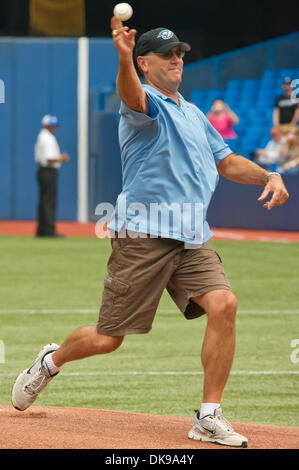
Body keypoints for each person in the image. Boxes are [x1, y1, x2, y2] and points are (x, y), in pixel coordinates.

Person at [12, 19, 289, 448]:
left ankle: (208, 416)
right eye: (166, 54)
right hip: (143, 236)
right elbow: (130, 94)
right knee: (108, 340)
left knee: (224, 305)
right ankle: (51, 361)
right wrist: (122, 58)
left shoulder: (194, 113)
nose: (177, 59)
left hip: (192, 237)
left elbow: (227, 161)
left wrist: (268, 174)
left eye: (180, 52)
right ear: (145, 62)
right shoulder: (146, 104)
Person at [35, 115, 70, 237]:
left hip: (44, 171)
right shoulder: (47, 138)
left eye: (55, 126)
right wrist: (62, 158)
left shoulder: (43, 136)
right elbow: (49, 159)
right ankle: (49, 230)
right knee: (49, 201)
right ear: (46, 126)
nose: (54, 128)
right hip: (48, 171)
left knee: (45, 201)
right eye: (52, 126)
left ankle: (42, 230)